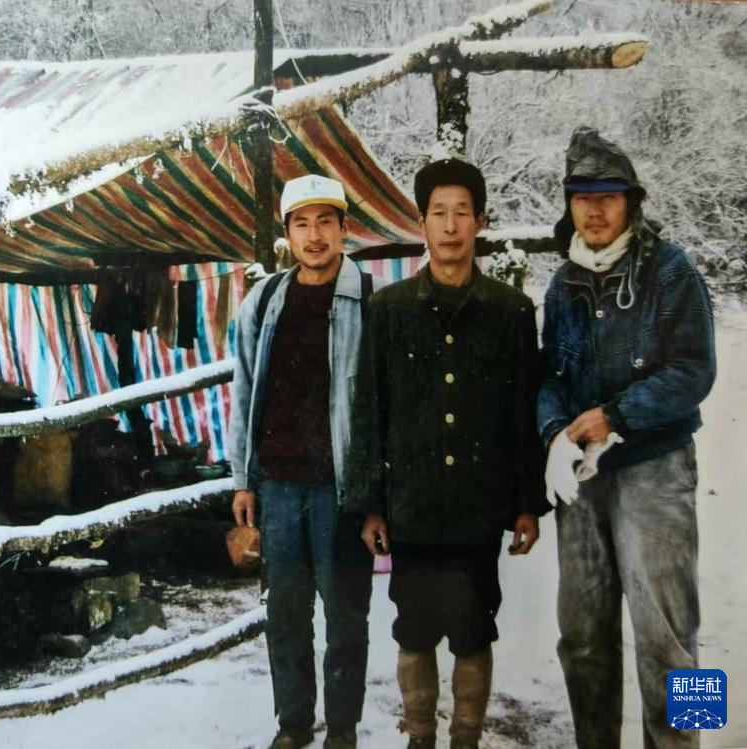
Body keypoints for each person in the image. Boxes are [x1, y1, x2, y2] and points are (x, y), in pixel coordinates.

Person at [344, 158, 547, 749]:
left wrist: (526, 503)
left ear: (481, 221)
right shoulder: (388, 310)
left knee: (472, 629)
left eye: (463, 213)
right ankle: (420, 737)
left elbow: (522, 415)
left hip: (478, 507)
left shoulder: (512, 311)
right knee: (414, 630)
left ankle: (466, 738)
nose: (451, 226)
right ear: (423, 223)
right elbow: (369, 411)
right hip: (412, 505)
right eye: (440, 213)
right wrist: (371, 505)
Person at [538, 126, 716, 749]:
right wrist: (554, 433)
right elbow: (550, 377)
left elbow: (695, 370)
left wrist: (616, 414)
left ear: (631, 203)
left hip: (657, 471)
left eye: (607, 197)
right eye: (582, 198)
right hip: (582, 479)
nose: (594, 210)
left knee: (672, 636)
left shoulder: (672, 270)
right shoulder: (562, 284)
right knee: (581, 637)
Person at [228, 175, 377, 749]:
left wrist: (373, 492)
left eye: (325, 223)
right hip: (279, 484)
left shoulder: (369, 300)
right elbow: (245, 390)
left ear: (344, 229)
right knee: (286, 614)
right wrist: (243, 480)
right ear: (287, 234)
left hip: (342, 487)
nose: (314, 236)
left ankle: (342, 728)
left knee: (346, 615)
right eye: (302, 225)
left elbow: (381, 404)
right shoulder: (265, 301)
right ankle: (293, 724)